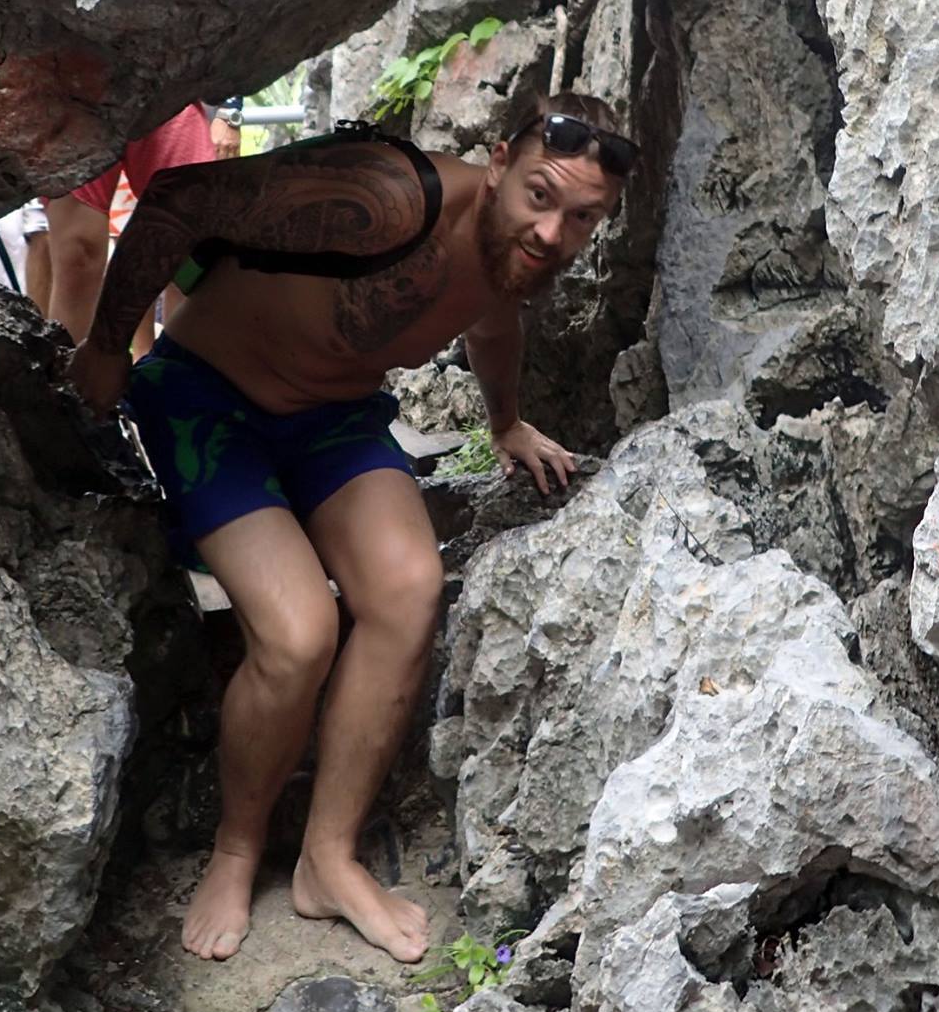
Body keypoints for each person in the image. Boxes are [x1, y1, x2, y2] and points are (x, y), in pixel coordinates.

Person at [68, 92, 636, 964]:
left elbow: (491, 320)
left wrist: (506, 423)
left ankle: (327, 861)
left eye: (582, 219)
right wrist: (108, 349)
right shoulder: (389, 198)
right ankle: (238, 848)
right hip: (208, 400)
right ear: (498, 163)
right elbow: (178, 200)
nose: (552, 233)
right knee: (299, 634)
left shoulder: (511, 255)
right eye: (540, 195)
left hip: (332, 421)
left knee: (409, 590)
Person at [44, 103, 217, 348]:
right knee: (78, 254)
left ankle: (181, 377)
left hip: (166, 87)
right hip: (76, 93)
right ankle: (66, 378)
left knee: (196, 253)